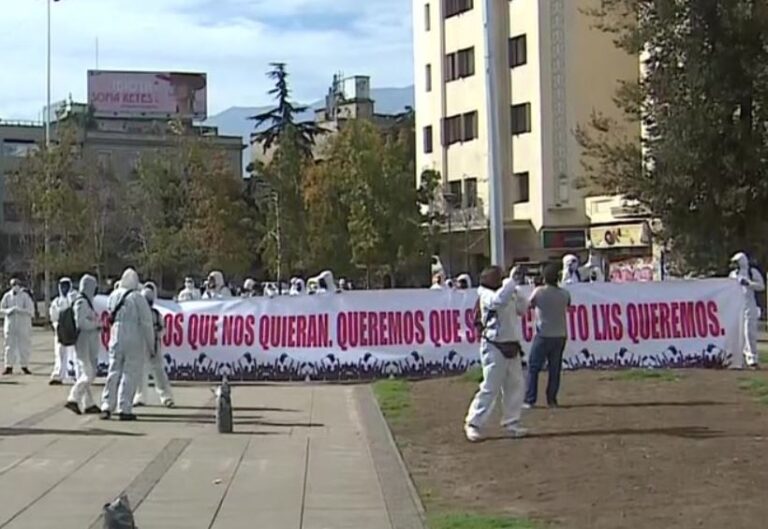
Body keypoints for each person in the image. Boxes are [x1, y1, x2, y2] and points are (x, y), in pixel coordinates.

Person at [464, 266, 528, 442]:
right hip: (493, 345)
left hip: (512, 344)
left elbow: (523, 309)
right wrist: (510, 283)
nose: (501, 278)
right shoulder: (485, 294)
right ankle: (473, 423)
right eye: (498, 276)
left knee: (515, 385)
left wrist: (516, 289)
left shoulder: (508, 291)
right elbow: (497, 302)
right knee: (490, 386)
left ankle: (511, 421)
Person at [100, 268, 155, 421]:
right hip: (134, 336)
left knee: (113, 371)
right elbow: (146, 323)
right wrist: (151, 345)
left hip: (116, 334)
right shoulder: (138, 298)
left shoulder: (113, 296)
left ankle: (106, 405)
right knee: (129, 373)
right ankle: (124, 407)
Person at [524, 263, 572, 408]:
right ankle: (552, 399)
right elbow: (568, 305)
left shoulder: (539, 292)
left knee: (533, 367)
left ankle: (530, 399)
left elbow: (528, 305)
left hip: (543, 334)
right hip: (560, 334)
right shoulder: (564, 293)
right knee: (554, 368)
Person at [65, 275, 102, 415]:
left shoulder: (87, 302)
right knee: (88, 372)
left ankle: (88, 403)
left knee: (86, 371)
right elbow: (80, 322)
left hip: (89, 341)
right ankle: (73, 397)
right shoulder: (81, 302)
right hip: (83, 341)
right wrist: (96, 325)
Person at [134, 282, 174, 408]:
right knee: (140, 373)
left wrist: (156, 334)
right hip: (141, 346)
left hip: (154, 347)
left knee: (159, 373)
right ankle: (140, 397)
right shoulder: (137, 314)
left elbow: (163, 329)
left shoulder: (156, 315)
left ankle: (166, 397)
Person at [729, 252, 765, 369]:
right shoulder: (733, 275)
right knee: (738, 334)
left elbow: (761, 286)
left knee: (749, 332)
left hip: (750, 306)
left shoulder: (752, 272)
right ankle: (740, 358)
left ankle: (752, 359)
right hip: (737, 306)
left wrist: (749, 284)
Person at [1, 279, 34, 375]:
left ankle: (24, 366)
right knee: (9, 346)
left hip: (22, 325)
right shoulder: (7, 296)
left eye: (17, 284)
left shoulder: (25, 296)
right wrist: (8, 311)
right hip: (10, 325)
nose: (15, 286)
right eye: (13, 284)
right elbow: (1, 309)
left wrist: (20, 310)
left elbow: (30, 310)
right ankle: (8, 366)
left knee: (24, 346)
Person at [48, 277, 78, 385]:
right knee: (60, 352)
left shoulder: (75, 298)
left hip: (73, 330)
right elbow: (53, 316)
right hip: (60, 330)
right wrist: (56, 326)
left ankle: (75, 374)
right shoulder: (56, 301)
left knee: (75, 353)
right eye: (62, 285)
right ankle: (58, 375)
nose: (64, 288)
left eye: (66, 285)